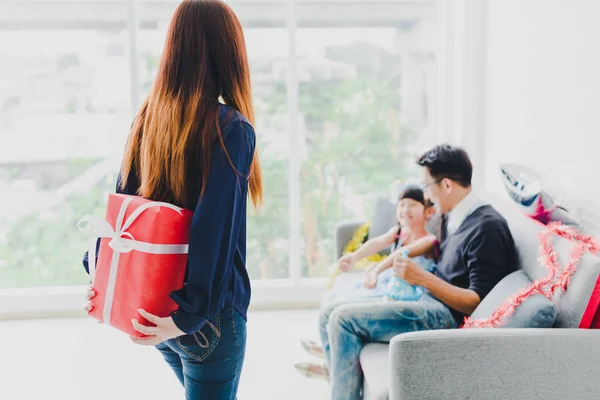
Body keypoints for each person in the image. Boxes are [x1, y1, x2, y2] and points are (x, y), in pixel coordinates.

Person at [82, 1, 262, 398]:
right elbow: (214, 230)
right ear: (228, 52)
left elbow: (123, 212)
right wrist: (191, 314)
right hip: (203, 318)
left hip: (155, 306)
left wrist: (97, 270)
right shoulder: (231, 127)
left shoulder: (148, 118)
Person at [302, 144, 517, 400]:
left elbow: (476, 302)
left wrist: (422, 278)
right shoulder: (455, 215)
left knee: (342, 320)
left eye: (427, 187)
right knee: (329, 312)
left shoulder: (487, 228)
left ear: (447, 185)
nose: (427, 195)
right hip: (427, 298)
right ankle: (340, 377)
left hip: (444, 315)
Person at [295, 186, 438, 379]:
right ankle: (332, 356)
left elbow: (400, 254)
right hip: (390, 283)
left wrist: (375, 271)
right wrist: (354, 256)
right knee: (335, 298)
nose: (405, 210)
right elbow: (377, 243)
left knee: (346, 309)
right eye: (402, 205)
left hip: (408, 291)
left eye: (412, 205)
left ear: (427, 211)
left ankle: (330, 364)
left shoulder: (429, 240)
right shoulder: (398, 232)